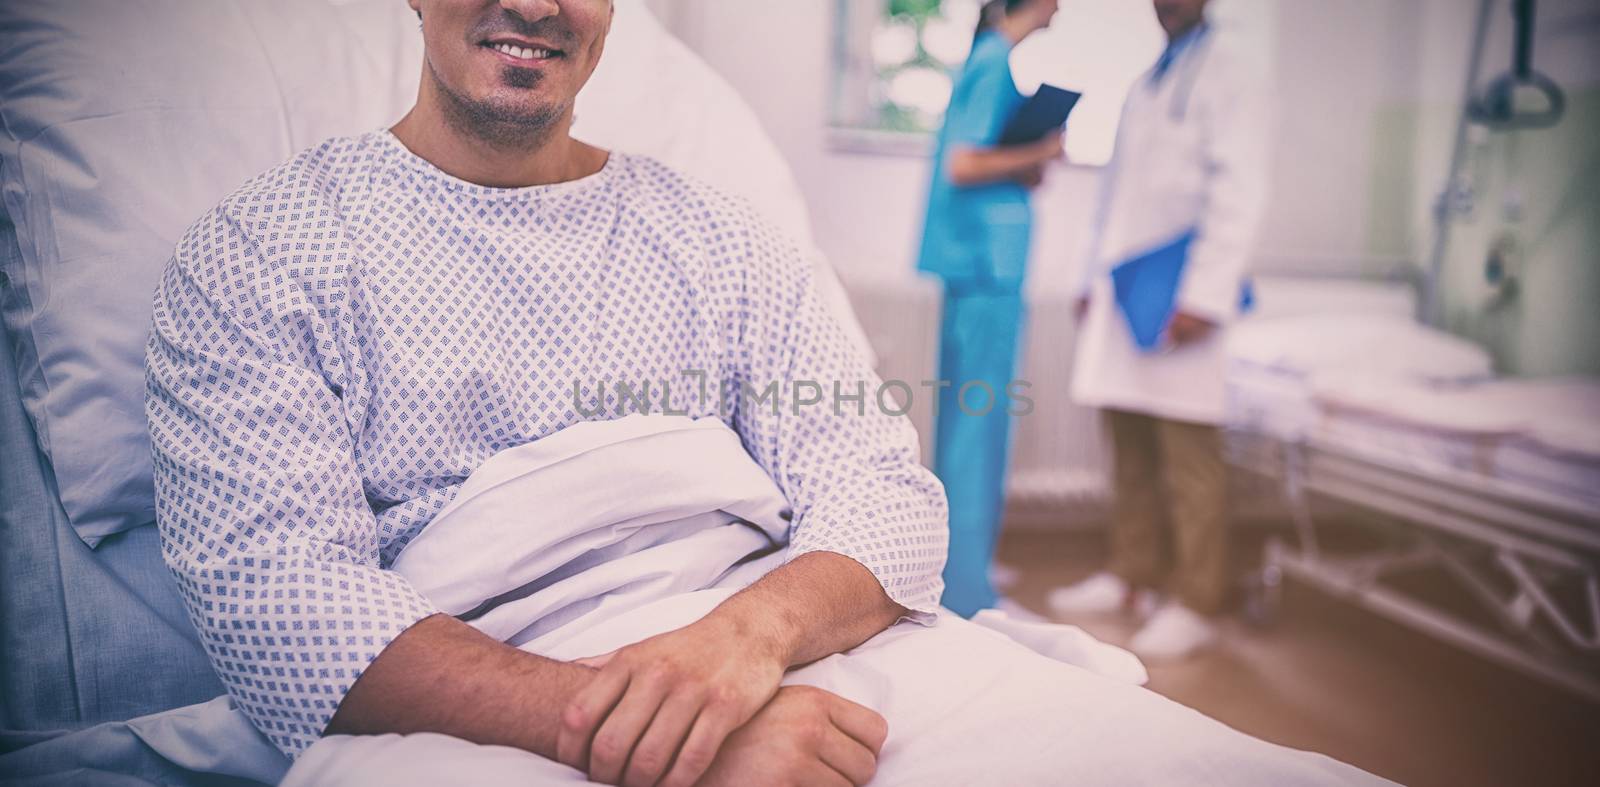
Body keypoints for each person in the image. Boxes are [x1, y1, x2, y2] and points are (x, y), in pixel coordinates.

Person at [143, 2, 1374, 785]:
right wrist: (638, 722)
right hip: (482, 687)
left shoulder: (723, 241)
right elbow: (274, 603)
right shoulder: (265, 256)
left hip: (787, 645)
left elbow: (883, 495)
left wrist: (737, 647)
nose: (531, 4)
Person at [1050, 0, 1269, 661]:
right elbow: (1114, 198)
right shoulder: (1149, 78)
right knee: (1131, 440)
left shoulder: (1233, 71)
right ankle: (1130, 576)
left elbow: (1241, 189)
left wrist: (1207, 293)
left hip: (1183, 290)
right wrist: (1090, 278)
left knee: (1188, 454)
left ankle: (1199, 598)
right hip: (1129, 287)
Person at [916, 0, 1063, 618]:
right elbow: (964, 163)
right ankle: (970, 592)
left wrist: (1023, 168)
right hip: (984, 274)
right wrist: (1038, 154)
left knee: (968, 424)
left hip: (978, 271)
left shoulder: (989, 60)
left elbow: (974, 160)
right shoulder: (995, 59)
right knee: (978, 428)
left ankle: (965, 565)